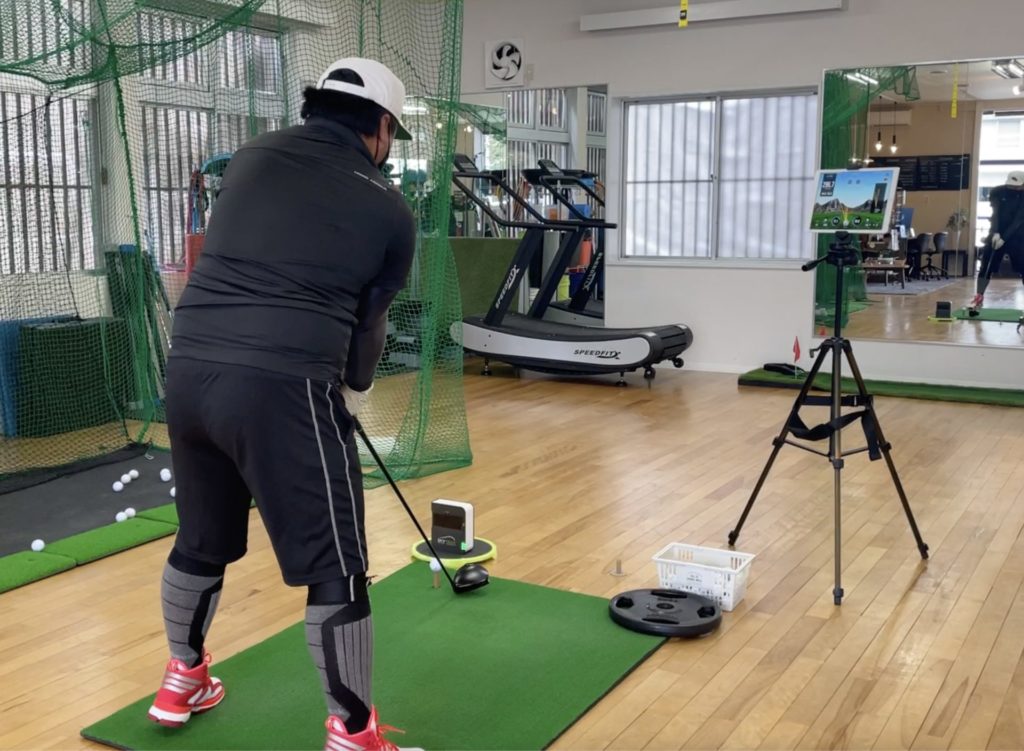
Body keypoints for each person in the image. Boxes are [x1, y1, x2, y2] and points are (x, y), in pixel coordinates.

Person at [147, 58, 420, 751]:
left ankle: (183, 677)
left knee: (200, 538)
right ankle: (354, 732)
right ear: (380, 127)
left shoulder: (249, 157)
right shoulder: (390, 208)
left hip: (189, 372)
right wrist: (352, 387)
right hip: (285, 386)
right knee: (337, 565)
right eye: (392, 134)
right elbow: (368, 327)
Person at [968, 171, 1024, 330]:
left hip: (1018, 236)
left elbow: (1019, 219)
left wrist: (1004, 238)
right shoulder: (997, 192)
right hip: (997, 234)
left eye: (1017, 186)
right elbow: (996, 214)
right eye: (1011, 186)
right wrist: (995, 233)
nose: (1013, 188)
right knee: (986, 266)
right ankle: (979, 298)